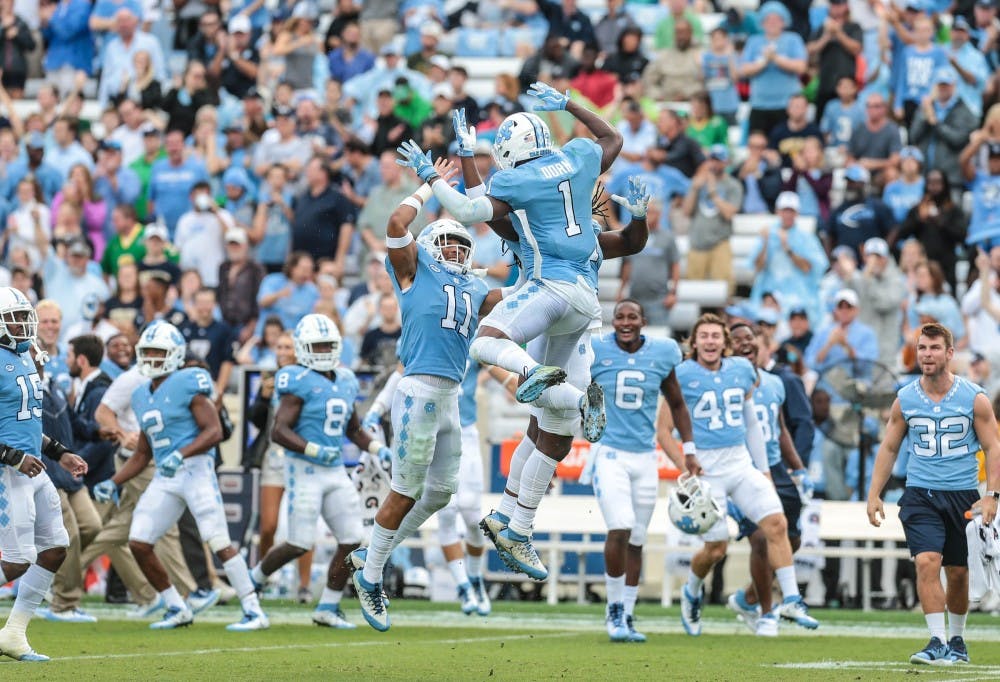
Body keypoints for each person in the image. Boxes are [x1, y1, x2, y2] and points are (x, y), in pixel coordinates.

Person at [402, 84, 622, 582]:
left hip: (549, 290)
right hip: (587, 302)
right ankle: (514, 522)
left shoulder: (518, 185)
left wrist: (430, 176)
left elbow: (472, 211)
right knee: (555, 427)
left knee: (485, 340)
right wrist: (566, 103)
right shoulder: (577, 158)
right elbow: (611, 136)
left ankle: (545, 378)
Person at [349, 171, 496, 632]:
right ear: (430, 246)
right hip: (417, 390)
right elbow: (395, 223)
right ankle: (371, 577)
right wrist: (429, 185)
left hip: (451, 397)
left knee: (441, 492)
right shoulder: (414, 272)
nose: (454, 251)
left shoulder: (474, 288)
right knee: (407, 489)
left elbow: (519, 299)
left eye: (461, 245)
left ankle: (372, 552)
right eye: (447, 243)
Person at [92, 322, 268, 631]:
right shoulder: (141, 395)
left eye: (159, 352)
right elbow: (143, 453)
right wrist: (114, 481)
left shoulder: (189, 380)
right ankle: (176, 606)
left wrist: (181, 453)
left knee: (218, 541)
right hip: (166, 476)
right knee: (139, 542)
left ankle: (254, 610)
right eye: (147, 352)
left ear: (174, 355)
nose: (152, 358)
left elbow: (213, 432)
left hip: (196, 470)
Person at [674, 313, 816, 637]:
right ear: (694, 342)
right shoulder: (681, 374)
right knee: (716, 549)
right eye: (704, 336)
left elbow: (753, 424)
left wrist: (764, 471)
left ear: (724, 342)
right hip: (707, 471)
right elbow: (664, 428)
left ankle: (791, 599)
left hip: (740, 464)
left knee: (777, 524)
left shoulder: (741, 370)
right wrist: (686, 462)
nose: (710, 341)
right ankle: (692, 589)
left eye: (715, 336)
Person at [867, 323, 1000, 665]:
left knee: (957, 573)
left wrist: (992, 495)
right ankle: (936, 640)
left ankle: (957, 639)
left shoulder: (974, 397)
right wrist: (874, 493)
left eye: (934, 348)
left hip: (962, 494)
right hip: (920, 494)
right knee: (927, 562)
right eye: (922, 348)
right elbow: (890, 446)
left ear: (949, 353)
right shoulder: (906, 397)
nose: (927, 354)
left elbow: (993, 447)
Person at [250, 314, 389, 629]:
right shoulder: (295, 378)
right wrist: (312, 448)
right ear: (304, 348)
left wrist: (377, 448)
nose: (324, 350)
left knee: (352, 539)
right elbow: (279, 430)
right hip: (304, 469)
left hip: (334, 469)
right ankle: (252, 581)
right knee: (299, 542)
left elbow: (353, 429)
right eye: (318, 345)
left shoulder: (345, 379)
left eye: (329, 344)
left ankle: (328, 605)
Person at [589, 299, 694, 642]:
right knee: (619, 526)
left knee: (637, 538)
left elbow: (677, 402)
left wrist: (688, 449)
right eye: (619, 316)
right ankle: (614, 609)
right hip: (610, 453)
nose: (625, 322)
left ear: (644, 321)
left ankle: (628, 614)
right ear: (612, 320)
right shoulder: (594, 348)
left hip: (645, 457)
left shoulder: (663, 353)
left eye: (632, 316)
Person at [0, 287, 87, 661]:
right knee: (18, 560)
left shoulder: (24, 358)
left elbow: (29, 423)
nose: (23, 326)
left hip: (33, 467)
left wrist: (60, 452)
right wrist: (13, 458)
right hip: (7, 471)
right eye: (15, 319)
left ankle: (13, 634)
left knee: (54, 549)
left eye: (25, 318)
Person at [725, 322, 812, 636]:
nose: (746, 344)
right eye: (737, 340)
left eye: (750, 338)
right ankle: (766, 612)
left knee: (792, 538)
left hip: (774, 466)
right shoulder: (721, 381)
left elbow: (781, 429)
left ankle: (748, 597)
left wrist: (798, 468)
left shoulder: (776, 382)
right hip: (739, 466)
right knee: (761, 539)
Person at [748, 191, 829, 324]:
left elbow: (809, 268)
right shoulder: (767, 233)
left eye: (791, 211)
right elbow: (757, 267)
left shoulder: (806, 238)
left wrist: (788, 249)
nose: (788, 215)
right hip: (768, 293)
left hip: (797, 294)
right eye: (785, 211)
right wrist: (765, 245)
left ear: (797, 213)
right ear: (778, 212)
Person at [616, 199, 680, 326]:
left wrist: (673, 293)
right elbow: (627, 264)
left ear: (659, 214)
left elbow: (675, 265)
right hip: (634, 298)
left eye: (651, 212)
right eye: (645, 212)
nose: (647, 215)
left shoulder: (667, 237)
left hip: (659, 300)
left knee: (658, 337)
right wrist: (621, 290)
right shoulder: (633, 235)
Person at [805, 288, 879, 372]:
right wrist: (829, 344)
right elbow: (810, 364)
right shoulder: (823, 332)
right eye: (840, 307)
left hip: (857, 382)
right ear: (835, 310)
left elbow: (866, 367)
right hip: (826, 383)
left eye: (848, 307)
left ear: (856, 310)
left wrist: (846, 345)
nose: (844, 311)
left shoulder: (867, 333)